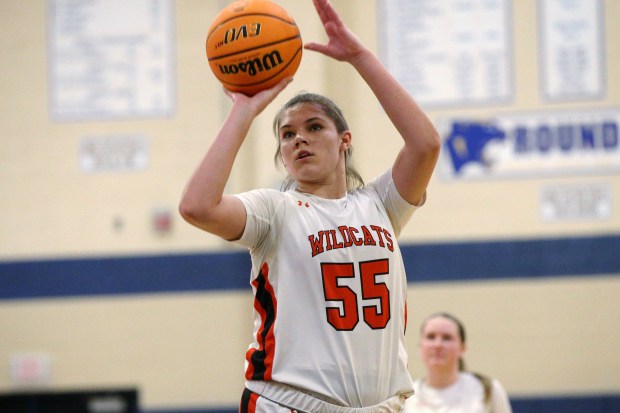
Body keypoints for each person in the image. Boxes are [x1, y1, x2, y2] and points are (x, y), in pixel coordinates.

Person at [179, 0, 440, 411]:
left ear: (344, 140)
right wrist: (244, 110)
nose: (298, 138)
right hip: (288, 405)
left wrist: (360, 57)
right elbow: (196, 206)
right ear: (281, 153)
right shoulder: (275, 211)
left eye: (314, 126)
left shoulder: (382, 203)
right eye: (286, 134)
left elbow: (426, 144)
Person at [405, 312, 513, 413]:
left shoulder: (488, 390)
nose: (438, 344)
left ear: (462, 348)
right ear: (420, 346)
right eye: (431, 337)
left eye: (447, 338)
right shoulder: (407, 399)